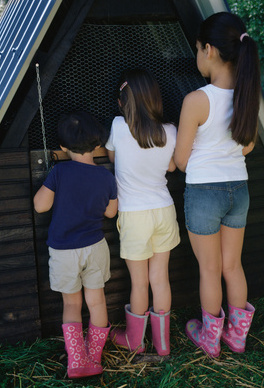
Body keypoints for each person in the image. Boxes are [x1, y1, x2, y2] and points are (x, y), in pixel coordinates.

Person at [174, 12, 260, 357]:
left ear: (208, 50)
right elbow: (248, 145)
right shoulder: (247, 94)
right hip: (238, 190)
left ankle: (210, 338)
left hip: (204, 194)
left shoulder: (196, 100)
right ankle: (236, 337)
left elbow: (181, 161)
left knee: (209, 269)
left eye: (197, 48)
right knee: (231, 266)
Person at [33, 112, 118, 378]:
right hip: (95, 247)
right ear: (97, 145)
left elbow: (40, 205)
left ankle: (77, 361)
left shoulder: (59, 171)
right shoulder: (105, 177)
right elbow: (111, 213)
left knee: (71, 305)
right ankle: (94, 356)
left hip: (64, 251)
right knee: (97, 302)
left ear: (62, 147)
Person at [105, 68, 180, 356]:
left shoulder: (118, 127)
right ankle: (163, 345)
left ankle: (135, 341)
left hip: (134, 215)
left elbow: (112, 157)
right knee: (160, 278)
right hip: (164, 210)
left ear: (125, 103)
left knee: (139, 282)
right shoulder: (170, 131)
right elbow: (172, 166)